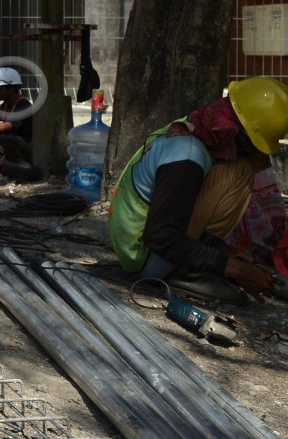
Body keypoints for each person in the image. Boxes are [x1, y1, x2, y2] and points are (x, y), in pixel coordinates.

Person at [108, 77, 288, 301]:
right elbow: (160, 236)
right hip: (145, 259)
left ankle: (195, 266)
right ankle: (189, 273)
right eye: (251, 144)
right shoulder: (188, 156)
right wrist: (231, 268)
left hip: (136, 246)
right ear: (237, 132)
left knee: (236, 168)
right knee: (237, 172)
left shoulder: (195, 126)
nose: (252, 152)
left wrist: (228, 256)